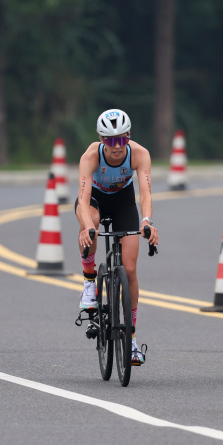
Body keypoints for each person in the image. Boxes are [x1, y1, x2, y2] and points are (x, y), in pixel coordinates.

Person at [75, 109, 159, 366]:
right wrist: (86, 226)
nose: (117, 146)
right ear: (101, 140)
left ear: (128, 136)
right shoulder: (91, 156)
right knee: (92, 223)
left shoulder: (140, 154)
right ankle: (89, 283)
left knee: (130, 270)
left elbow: (145, 193)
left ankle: (131, 340)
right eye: (110, 140)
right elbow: (83, 198)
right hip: (94, 201)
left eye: (122, 139)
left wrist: (147, 221)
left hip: (123, 202)